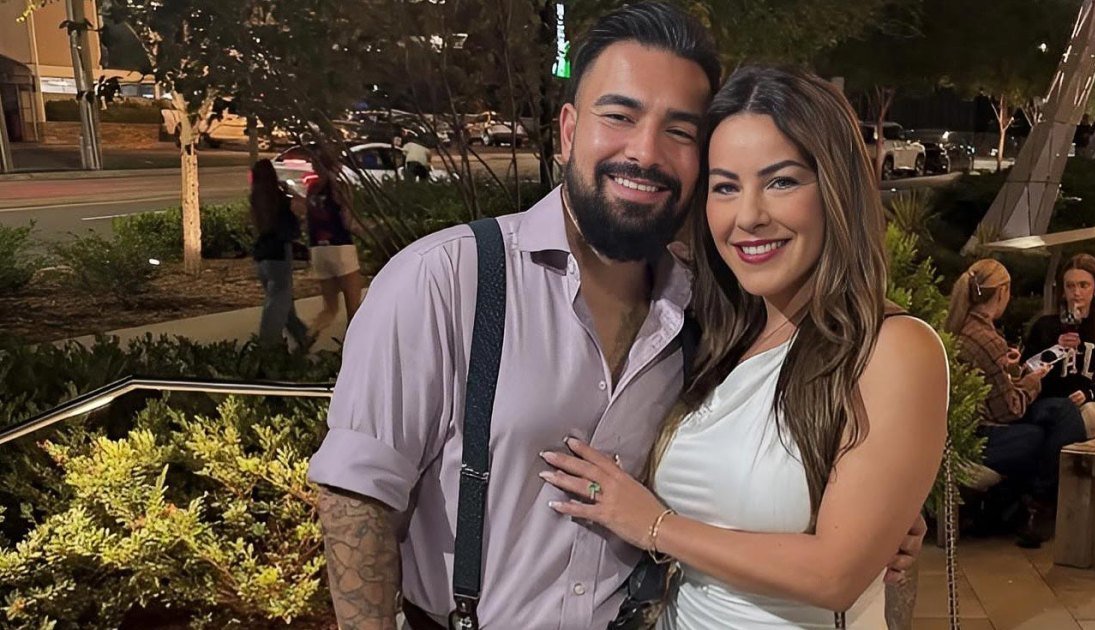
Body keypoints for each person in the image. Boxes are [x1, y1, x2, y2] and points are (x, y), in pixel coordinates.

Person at [307, 4, 924, 629]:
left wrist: (871, 514)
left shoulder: (709, 311)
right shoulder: (445, 280)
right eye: (620, 116)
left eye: (679, 131)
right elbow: (356, 499)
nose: (646, 152)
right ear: (569, 129)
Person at [540, 66, 948, 629]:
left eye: (781, 182)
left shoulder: (892, 349)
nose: (749, 217)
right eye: (725, 187)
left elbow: (835, 575)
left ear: (837, 190)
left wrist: (653, 525)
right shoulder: (717, 335)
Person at [948, 259, 1085, 548]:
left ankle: (1024, 507)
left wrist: (1010, 371)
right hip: (979, 435)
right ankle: (1037, 506)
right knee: (1042, 434)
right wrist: (1032, 382)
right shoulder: (986, 339)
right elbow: (1009, 410)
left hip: (971, 425)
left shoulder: (961, 326)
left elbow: (989, 387)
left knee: (1061, 411)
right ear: (1002, 292)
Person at [1023, 254, 1095, 408]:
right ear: (1063, 291)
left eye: (1083, 285)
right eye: (1070, 286)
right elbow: (1026, 371)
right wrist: (1056, 349)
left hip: (1090, 407)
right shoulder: (1045, 326)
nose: (1076, 292)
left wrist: (1089, 394)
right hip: (1049, 406)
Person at [249, 158, 308, 347]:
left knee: (283, 299)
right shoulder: (279, 198)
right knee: (279, 299)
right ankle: (269, 342)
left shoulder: (256, 199)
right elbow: (303, 206)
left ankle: (302, 335)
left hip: (263, 253)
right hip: (280, 252)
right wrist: (287, 190)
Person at [305, 148, 365, 333]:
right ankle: (353, 346)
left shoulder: (312, 189)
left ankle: (306, 340)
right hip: (341, 247)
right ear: (336, 165)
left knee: (330, 309)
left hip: (318, 250)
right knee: (354, 309)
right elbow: (347, 221)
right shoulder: (340, 187)